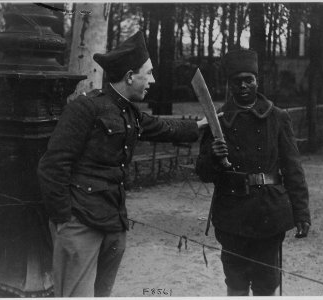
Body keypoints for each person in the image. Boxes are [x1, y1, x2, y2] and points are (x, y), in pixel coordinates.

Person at [37, 31, 211, 297]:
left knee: (102, 294)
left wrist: (198, 125)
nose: (153, 80)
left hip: (114, 223)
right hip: (81, 223)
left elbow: (162, 127)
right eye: (149, 73)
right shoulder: (85, 108)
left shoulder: (130, 113)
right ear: (130, 77)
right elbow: (52, 166)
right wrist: (65, 220)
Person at [196, 49, 311, 296]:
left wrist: (301, 212)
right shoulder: (217, 121)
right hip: (232, 215)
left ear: (257, 80)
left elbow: (293, 169)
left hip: (269, 212)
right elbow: (203, 173)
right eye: (237, 81)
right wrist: (214, 157)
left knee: (266, 283)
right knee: (235, 284)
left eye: (249, 79)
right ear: (229, 84)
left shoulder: (277, 117)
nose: (244, 85)